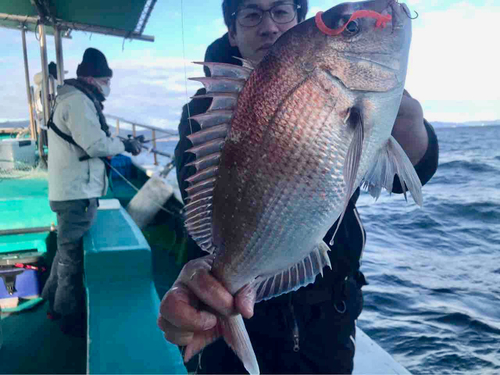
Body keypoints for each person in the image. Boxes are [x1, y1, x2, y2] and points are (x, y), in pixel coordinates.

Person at [159, 0, 439, 373]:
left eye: (281, 11)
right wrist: (207, 288)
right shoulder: (203, 111)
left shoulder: (353, 90)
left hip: (327, 320)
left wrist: (406, 125)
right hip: (239, 327)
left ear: (299, 20)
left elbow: (411, 174)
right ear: (232, 29)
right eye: (252, 14)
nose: (269, 26)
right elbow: (206, 209)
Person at [41, 48, 143, 336]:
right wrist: (125, 145)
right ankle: (66, 314)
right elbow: (95, 145)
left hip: (72, 191)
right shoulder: (78, 102)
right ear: (92, 79)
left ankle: (51, 300)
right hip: (75, 194)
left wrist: (120, 141)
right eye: (105, 80)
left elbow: (93, 138)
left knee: (65, 253)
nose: (107, 86)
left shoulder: (76, 99)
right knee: (70, 259)